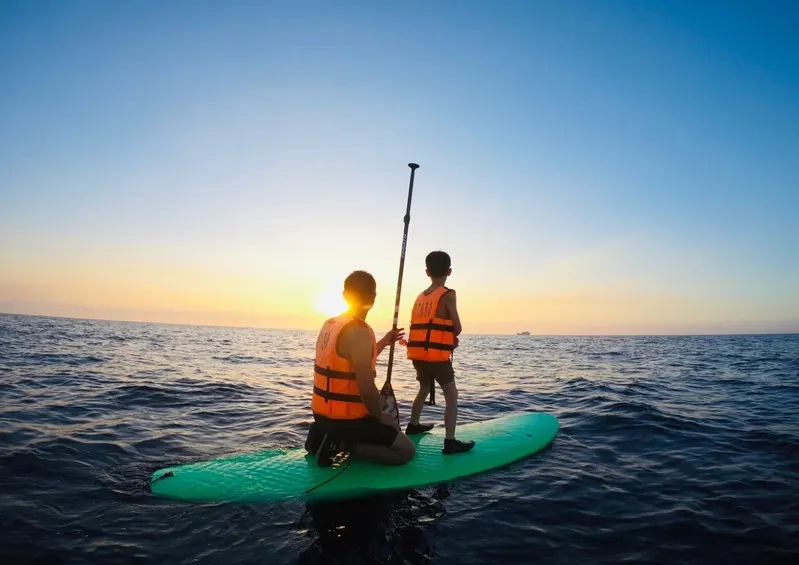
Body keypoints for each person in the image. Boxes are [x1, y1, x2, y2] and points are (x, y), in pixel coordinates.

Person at [305, 270, 416, 466]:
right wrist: (382, 417)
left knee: (375, 427)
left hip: (321, 416)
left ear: (344, 296)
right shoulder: (359, 332)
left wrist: (383, 342)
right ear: (373, 298)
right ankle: (345, 445)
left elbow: (351, 361)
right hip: (346, 422)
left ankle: (328, 435)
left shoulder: (331, 325)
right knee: (406, 452)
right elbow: (366, 390)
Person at [405, 251, 475, 454]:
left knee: (424, 387)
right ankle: (450, 441)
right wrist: (451, 338)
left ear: (427, 272)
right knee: (451, 395)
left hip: (418, 355)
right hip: (437, 358)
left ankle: (414, 424)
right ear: (449, 271)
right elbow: (457, 326)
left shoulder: (420, 297)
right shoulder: (448, 294)